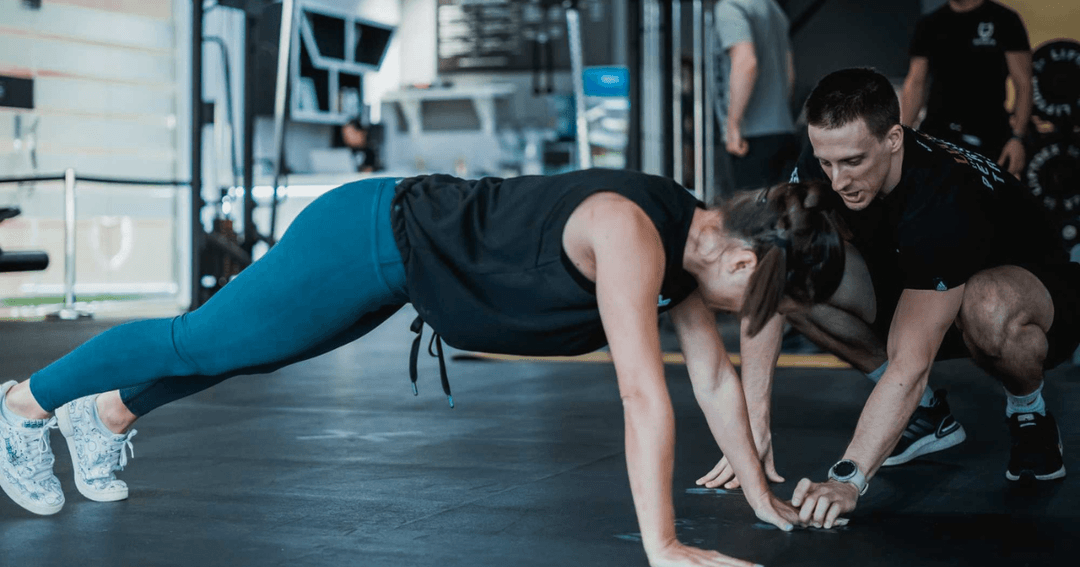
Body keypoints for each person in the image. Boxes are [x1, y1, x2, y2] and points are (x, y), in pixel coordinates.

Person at [0, 169, 848, 565]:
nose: (752, 322)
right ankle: (25, 406)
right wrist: (661, 545)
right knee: (201, 339)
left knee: (239, 354)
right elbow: (640, 391)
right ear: (744, 266)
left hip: (400, 263)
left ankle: (104, 414)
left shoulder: (687, 241)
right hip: (368, 234)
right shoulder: (634, 232)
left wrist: (766, 501)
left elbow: (711, 378)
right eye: (764, 305)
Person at [698, 67, 1078, 530]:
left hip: (1032, 294)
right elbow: (773, 275)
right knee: (797, 282)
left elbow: (911, 361)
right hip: (919, 281)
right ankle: (926, 417)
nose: (837, 181)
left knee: (986, 304)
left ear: (894, 138)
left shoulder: (941, 197)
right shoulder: (826, 159)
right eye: (827, 163)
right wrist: (754, 422)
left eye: (854, 162)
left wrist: (848, 478)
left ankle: (1028, 411)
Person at [899, 0, 1032, 178]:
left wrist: (1017, 138)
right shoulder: (930, 23)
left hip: (990, 134)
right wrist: (902, 136)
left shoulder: (1005, 19)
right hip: (938, 132)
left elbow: (1023, 84)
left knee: (986, 201)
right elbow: (915, 82)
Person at [713, 0, 798, 194]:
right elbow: (790, 73)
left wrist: (733, 125)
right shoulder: (774, 9)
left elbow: (746, 62)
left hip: (751, 138)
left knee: (754, 216)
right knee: (782, 212)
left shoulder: (730, 7)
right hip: (783, 131)